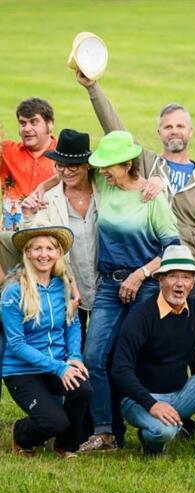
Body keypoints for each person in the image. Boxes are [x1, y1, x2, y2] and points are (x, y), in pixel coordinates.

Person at [75, 70, 195, 376]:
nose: (174, 131)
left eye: (180, 126)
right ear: (159, 132)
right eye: (168, 126)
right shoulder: (145, 163)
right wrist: (93, 87)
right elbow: (114, 128)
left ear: (191, 131)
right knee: (153, 352)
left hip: (190, 273)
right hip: (151, 273)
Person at [77, 130, 180, 453]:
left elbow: (172, 247)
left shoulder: (151, 197)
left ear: (127, 164)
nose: (103, 170)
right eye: (102, 165)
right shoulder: (104, 183)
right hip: (109, 284)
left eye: (110, 165)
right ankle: (104, 432)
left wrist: (140, 274)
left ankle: (147, 424)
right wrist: (41, 188)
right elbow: (69, 172)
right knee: (93, 356)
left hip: (145, 285)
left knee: (128, 356)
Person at [111, 245, 195, 459]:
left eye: (186, 277)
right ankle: (151, 443)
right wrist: (152, 405)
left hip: (180, 394)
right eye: (173, 276)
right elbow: (120, 370)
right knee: (165, 430)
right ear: (160, 280)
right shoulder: (141, 315)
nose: (180, 283)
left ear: (193, 283)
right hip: (140, 398)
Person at [1, 224, 92, 458]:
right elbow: (16, 344)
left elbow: (72, 323)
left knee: (83, 388)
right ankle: (21, 433)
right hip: (22, 370)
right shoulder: (13, 291)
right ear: (28, 253)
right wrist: (60, 368)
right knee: (55, 422)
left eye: (50, 248)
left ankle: (65, 445)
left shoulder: (63, 285)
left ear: (58, 253)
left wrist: (74, 357)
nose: (44, 254)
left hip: (57, 364)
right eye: (37, 249)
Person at [20, 129, 97, 347]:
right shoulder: (48, 198)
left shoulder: (103, 188)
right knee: (73, 345)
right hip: (68, 285)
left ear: (87, 165)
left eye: (73, 165)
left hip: (104, 285)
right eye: (60, 165)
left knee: (99, 349)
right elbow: (35, 237)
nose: (66, 171)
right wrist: (28, 216)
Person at [0, 98, 56, 231]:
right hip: (10, 235)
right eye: (23, 123)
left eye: (34, 122)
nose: (27, 129)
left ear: (49, 124)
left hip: (48, 235)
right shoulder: (6, 152)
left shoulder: (64, 156)